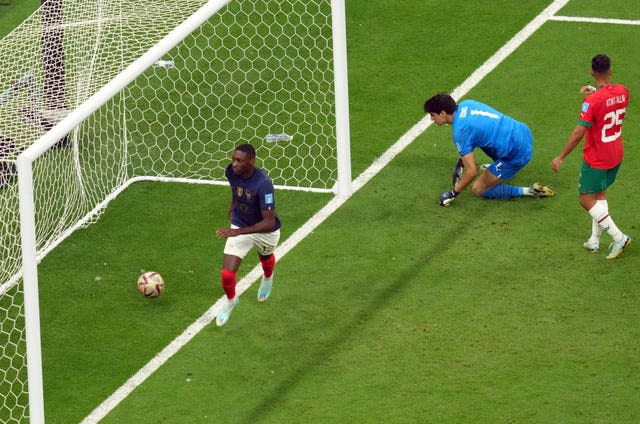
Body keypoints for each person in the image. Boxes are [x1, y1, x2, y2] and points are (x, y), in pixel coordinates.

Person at [551, 54, 630, 260]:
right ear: (610, 71)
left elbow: (578, 133)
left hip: (596, 157)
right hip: (616, 153)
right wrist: (595, 93)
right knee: (599, 194)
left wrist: (560, 157)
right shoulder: (623, 91)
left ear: (592, 72)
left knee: (586, 199)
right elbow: (609, 100)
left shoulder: (591, 101)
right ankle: (594, 241)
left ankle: (619, 237)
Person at [423, 93, 555, 206]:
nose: (431, 119)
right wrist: (460, 162)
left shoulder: (460, 131)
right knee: (482, 139)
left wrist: (453, 192)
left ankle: (529, 190)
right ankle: (496, 167)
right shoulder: (466, 104)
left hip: (518, 153)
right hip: (522, 131)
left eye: (433, 115)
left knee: (478, 189)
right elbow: (473, 134)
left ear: (443, 113)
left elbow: (472, 172)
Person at [215, 143, 281, 326]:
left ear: (252, 161)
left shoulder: (264, 185)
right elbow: (236, 189)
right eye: (233, 159)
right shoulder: (231, 172)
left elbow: (268, 222)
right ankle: (231, 301)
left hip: (265, 231)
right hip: (240, 223)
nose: (234, 164)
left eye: (239, 161)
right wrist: (233, 205)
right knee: (227, 274)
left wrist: (236, 232)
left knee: (265, 258)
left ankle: (268, 277)